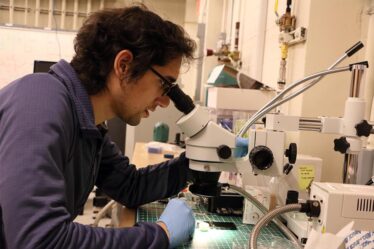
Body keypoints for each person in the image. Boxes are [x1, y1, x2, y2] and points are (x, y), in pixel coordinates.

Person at [0, 4, 197, 249]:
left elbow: (129, 186)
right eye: (165, 84)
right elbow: (41, 241)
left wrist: (200, 163)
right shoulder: (40, 100)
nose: (166, 100)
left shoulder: (85, 123)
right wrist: (161, 235)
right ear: (124, 65)